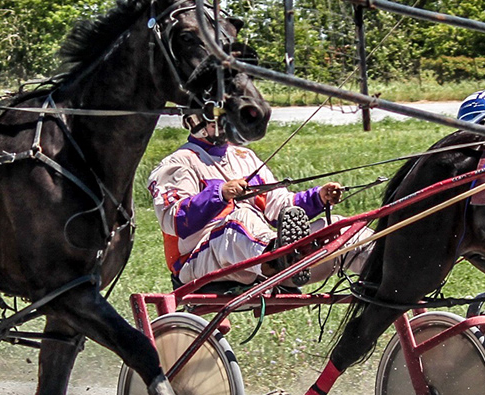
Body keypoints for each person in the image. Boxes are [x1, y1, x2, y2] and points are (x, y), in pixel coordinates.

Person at [148, 109, 349, 289]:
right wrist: (220, 194)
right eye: (217, 120)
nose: (225, 125)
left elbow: (278, 207)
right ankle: (281, 257)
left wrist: (318, 198)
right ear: (196, 122)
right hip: (196, 260)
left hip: (253, 251)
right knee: (240, 218)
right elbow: (172, 219)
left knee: (340, 228)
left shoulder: (245, 156)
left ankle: (366, 272)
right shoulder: (178, 162)